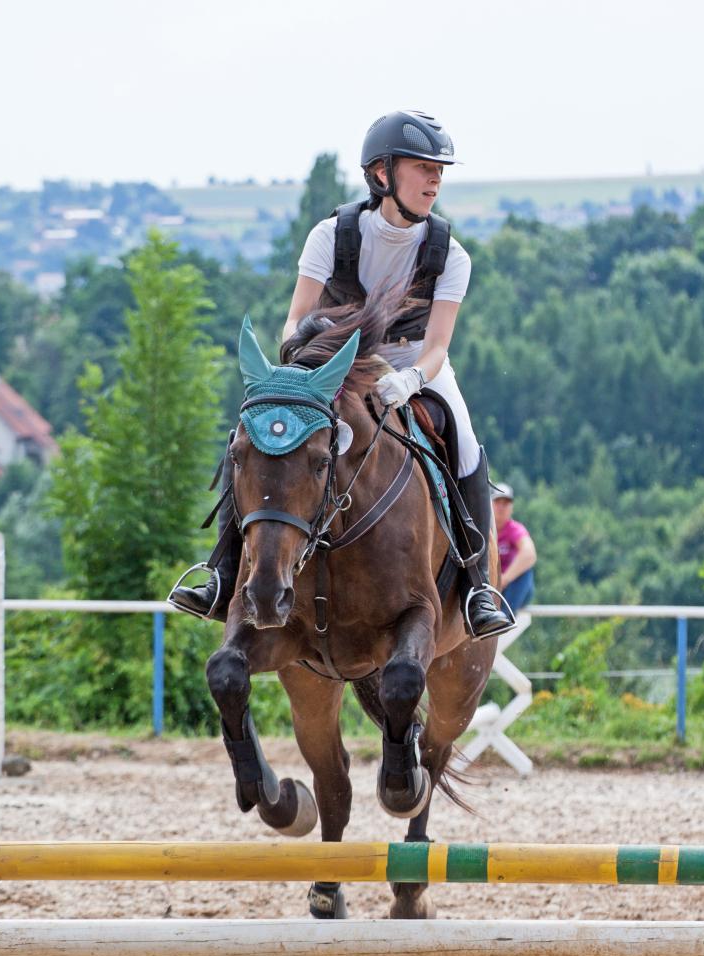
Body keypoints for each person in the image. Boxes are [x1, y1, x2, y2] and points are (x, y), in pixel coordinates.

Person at [170, 109, 513, 639]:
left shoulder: (451, 255)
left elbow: (438, 347)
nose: (435, 180)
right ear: (382, 173)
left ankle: (476, 588)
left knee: (466, 444)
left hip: (412, 364)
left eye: (439, 170)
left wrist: (410, 381)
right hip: (331, 363)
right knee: (255, 433)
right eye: (423, 168)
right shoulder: (331, 235)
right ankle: (221, 572)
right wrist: (309, 355)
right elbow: (295, 318)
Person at [491, 482, 536, 614]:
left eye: (506, 503)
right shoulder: (484, 530)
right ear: (490, 504)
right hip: (491, 586)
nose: (501, 507)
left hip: (513, 587)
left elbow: (529, 554)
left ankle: (505, 617)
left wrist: (504, 579)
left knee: (525, 572)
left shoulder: (515, 529)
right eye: (498, 502)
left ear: (512, 507)